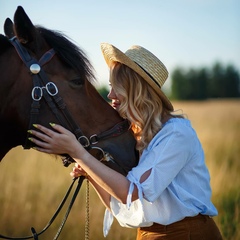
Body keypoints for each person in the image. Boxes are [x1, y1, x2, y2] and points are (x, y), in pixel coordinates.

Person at [28, 43, 223, 240]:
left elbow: (131, 191)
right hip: (147, 235)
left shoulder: (175, 134)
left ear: (135, 89)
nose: (110, 95)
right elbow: (121, 203)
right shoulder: (136, 134)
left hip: (185, 234)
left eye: (116, 88)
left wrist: (78, 152)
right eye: (110, 87)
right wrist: (90, 173)